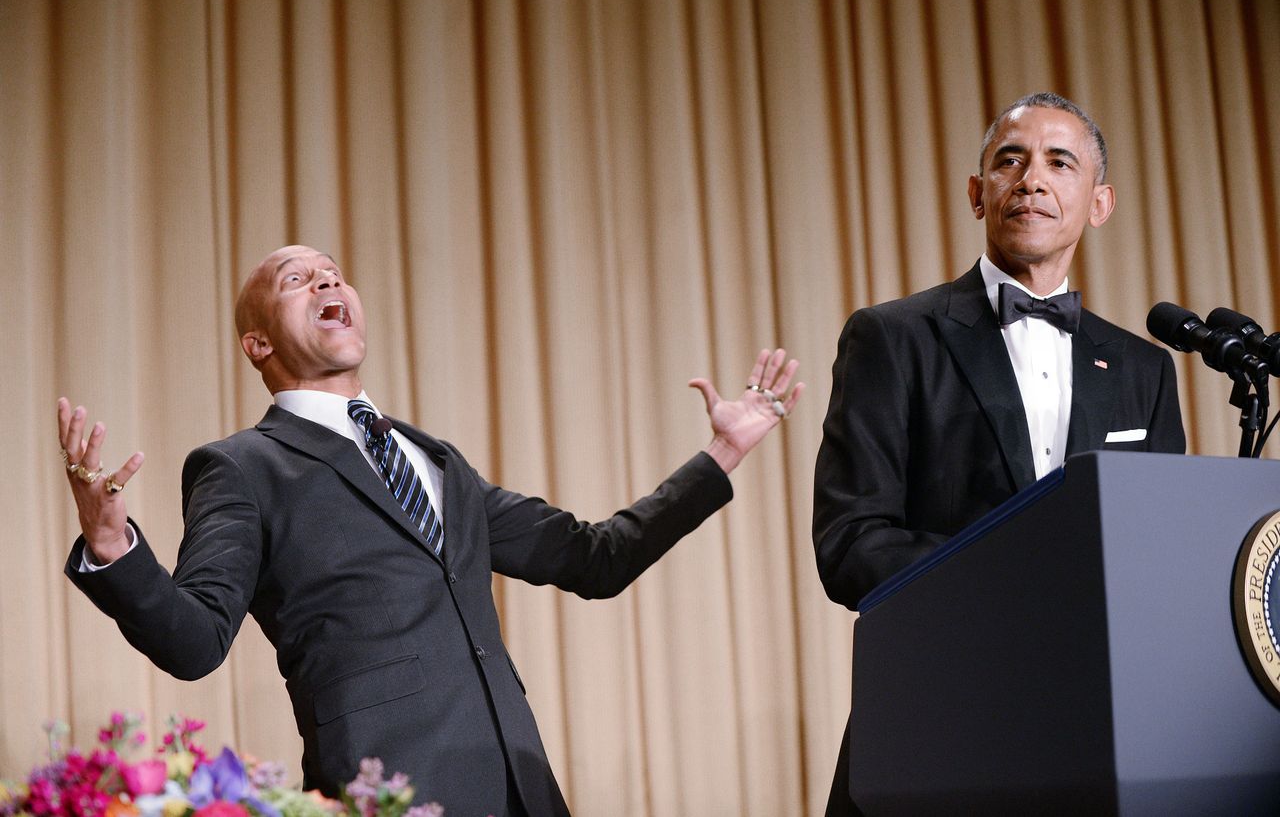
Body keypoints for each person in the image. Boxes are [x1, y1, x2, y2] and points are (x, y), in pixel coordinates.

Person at [58, 244, 804, 817]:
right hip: (390, 790)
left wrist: (724, 451)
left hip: (521, 785)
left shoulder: (435, 461)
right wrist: (111, 547)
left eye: (334, 274)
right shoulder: (242, 467)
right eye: (298, 280)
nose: (327, 283)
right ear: (258, 344)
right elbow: (193, 641)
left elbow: (595, 556)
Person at [812, 92, 1186, 815]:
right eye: (1010, 160)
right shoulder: (892, 337)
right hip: (939, 720)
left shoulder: (1144, 368)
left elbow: (1159, 552)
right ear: (978, 194)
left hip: (1101, 732)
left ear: (1099, 202)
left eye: (1059, 162)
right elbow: (851, 540)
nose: (1033, 178)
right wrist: (1014, 592)